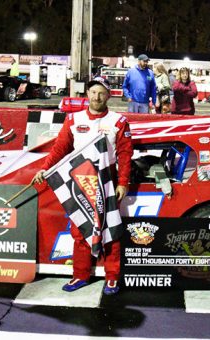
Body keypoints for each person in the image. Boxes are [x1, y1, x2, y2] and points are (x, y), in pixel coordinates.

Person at [32, 77, 133, 296]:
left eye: (101, 93)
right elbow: (60, 149)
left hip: (107, 183)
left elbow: (126, 155)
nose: (97, 97)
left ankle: (112, 278)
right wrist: (44, 169)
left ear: (108, 95)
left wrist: (123, 182)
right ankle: (80, 275)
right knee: (81, 230)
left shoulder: (119, 121)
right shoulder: (73, 119)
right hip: (80, 183)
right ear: (87, 94)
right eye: (93, 92)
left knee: (110, 230)